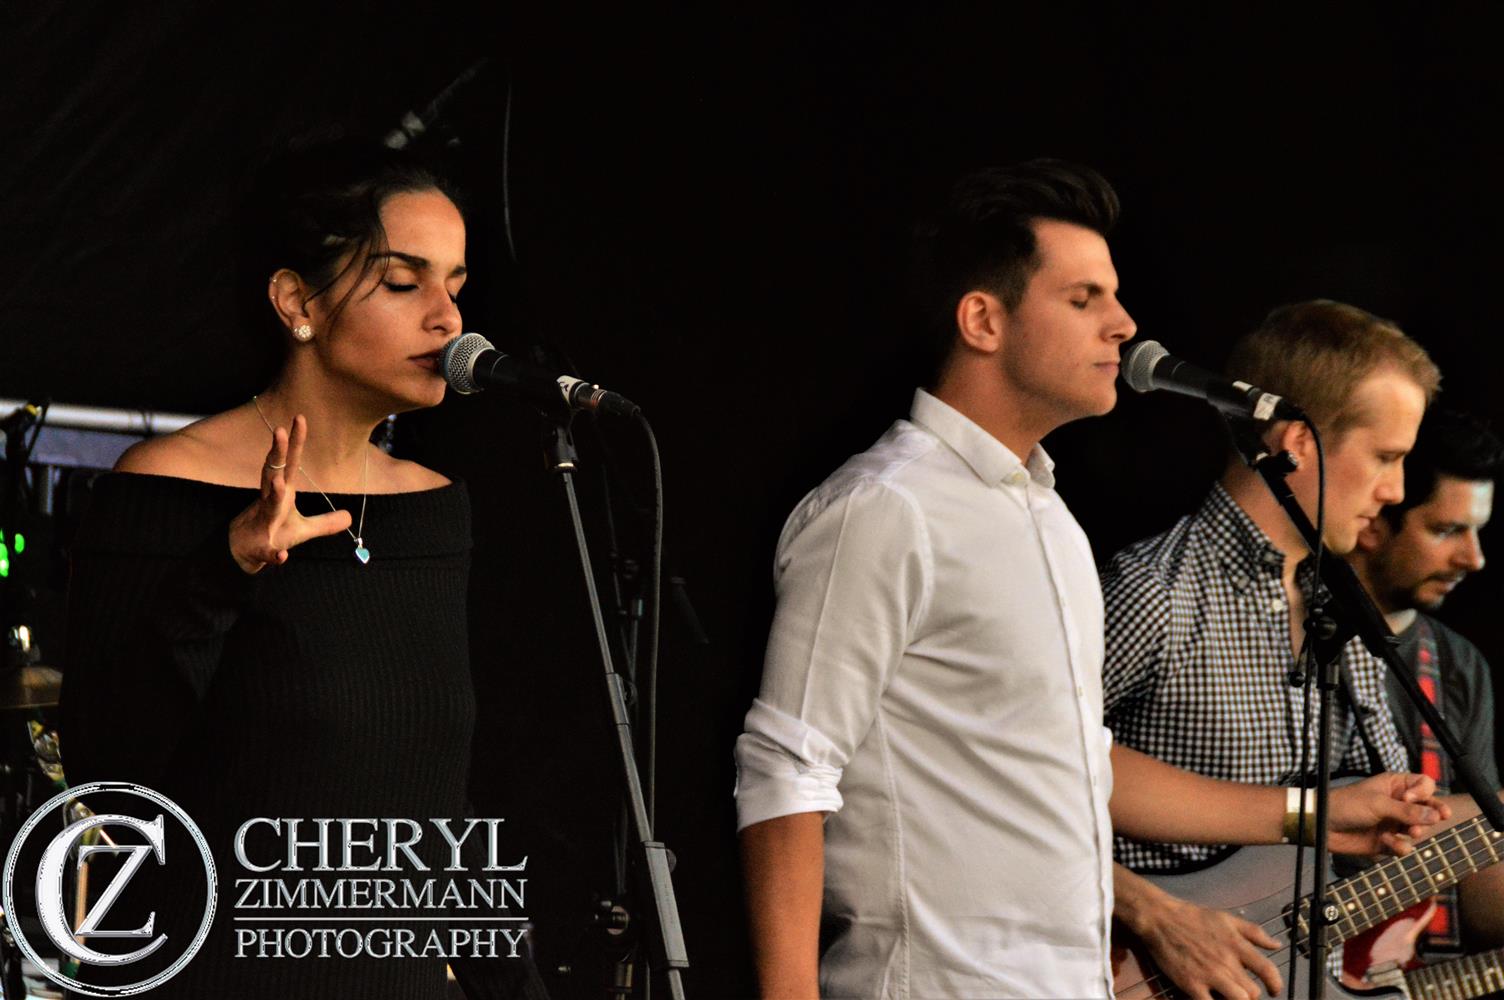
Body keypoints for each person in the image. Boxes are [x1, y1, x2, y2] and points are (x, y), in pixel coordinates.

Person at [734, 165, 1444, 1000]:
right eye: (1084, 299)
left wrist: (1312, 815)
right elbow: (788, 768)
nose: (1125, 324)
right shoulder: (884, 510)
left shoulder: (1049, 519)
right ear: (983, 320)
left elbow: (1077, 758)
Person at [59, 138, 548, 999]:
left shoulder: (433, 507)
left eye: (455, 285)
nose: (448, 320)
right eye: (403, 283)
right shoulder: (167, 484)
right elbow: (111, 767)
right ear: (298, 302)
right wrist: (227, 567)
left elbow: (436, 807)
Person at [1102, 301, 1438, 874]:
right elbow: (1032, 765)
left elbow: (1382, 809)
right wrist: (1148, 908)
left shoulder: (1342, 607)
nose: (1397, 491)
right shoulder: (1154, 590)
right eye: (1386, 457)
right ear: (1297, 443)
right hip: (1139, 931)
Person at [1346, 408, 1504, 958]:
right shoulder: (1290, 636)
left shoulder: (1458, 666)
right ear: (1374, 519)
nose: (1474, 558)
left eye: (1477, 531)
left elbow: (1477, 884)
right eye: (1445, 530)